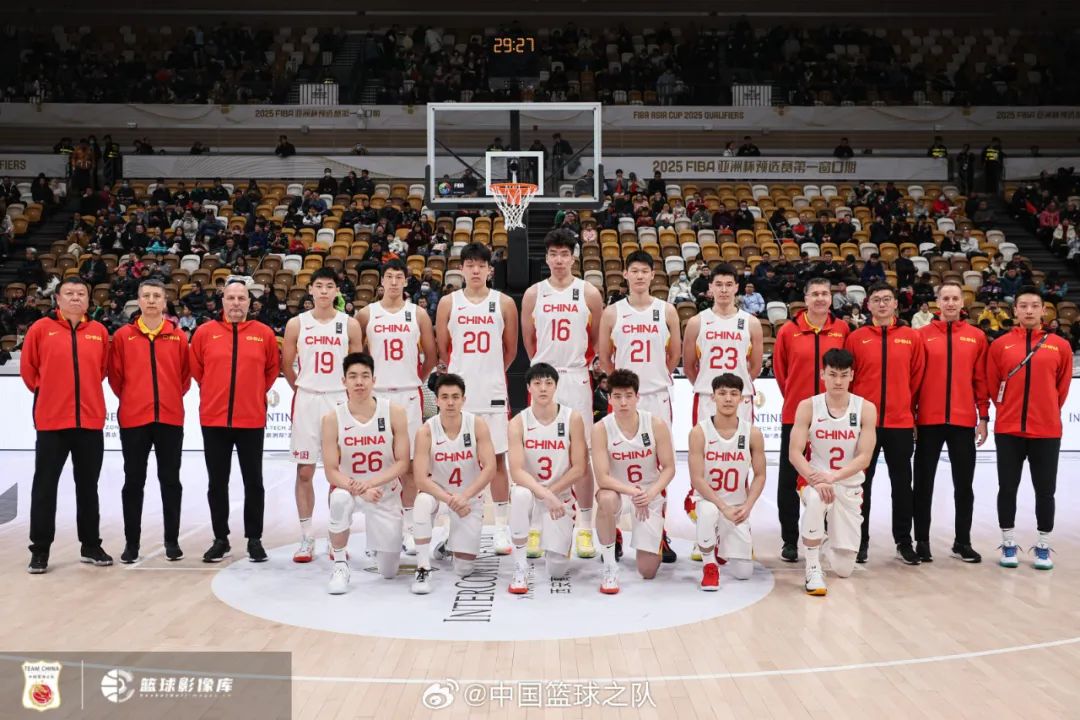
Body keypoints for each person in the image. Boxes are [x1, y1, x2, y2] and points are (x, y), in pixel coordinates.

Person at [520, 229, 605, 559]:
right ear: (546, 258)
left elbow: (595, 339)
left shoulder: (589, 293)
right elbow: (529, 341)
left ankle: (584, 527)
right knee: (536, 452)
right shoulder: (533, 294)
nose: (558, 260)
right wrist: (542, 371)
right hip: (544, 377)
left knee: (581, 455)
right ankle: (536, 526)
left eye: (564, 254)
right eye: (553, 254)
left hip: (575, 377)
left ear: (573, 257)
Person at [21, 277, 112, 573]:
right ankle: (40, 550)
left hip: (89, 422)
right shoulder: (40, 329)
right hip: (52, 422)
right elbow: (29, 371)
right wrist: (49, 394)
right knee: (45, 487)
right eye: (69, 293)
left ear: (88, 299)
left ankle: (91, 545)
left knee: (88, 487)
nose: (75, 297)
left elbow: (101, 370)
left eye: (81, 293)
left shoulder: (99, 332)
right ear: (58, 299)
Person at [597, 249, 681, 563]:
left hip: (656, 395)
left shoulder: (667, 310)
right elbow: (604, 357)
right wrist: (622, 389)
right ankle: (616, 533)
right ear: (626, 275)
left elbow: (675, 355)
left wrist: (654, 377)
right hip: (624, 398)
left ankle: (659, 533)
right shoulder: (612, 312)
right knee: (615, 462)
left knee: (659, 466)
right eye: (634, 270)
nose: (640, 276)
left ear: (652, 275)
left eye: (645, 271)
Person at [436, 242, 518, 555]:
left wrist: (489, 371)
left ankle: (501, 528)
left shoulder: (504, 303)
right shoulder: (448, 303)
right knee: (457, 461)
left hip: (492, 392)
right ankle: (455, 527)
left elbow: (510, 350)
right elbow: (444, 349)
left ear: (489, 270)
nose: (475, 270)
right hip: (459, 397)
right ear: (461, 269)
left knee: (497, 461)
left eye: (480, 265)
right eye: (469, 265)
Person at [190, 279, 280, 563]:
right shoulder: (205, 333)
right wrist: (215, 392)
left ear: (249, 303)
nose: (236, 303)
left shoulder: (263, 334)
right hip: (214, 419)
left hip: (251, 419)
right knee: (217, 482)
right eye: (231, 298)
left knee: (254, 482)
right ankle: (221, 538)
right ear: (223, 301)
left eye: (241, 298)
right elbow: (197, 370)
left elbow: (271, 370)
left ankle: (255, 539)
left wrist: (252, 394)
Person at [986, 287, 1072, 570]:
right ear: (1015, 311)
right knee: (1007, 488)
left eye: (1035, 305)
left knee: (1045, 490)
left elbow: (1061, 389)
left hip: (1046, 431)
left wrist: (1045, 412)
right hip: (1009, 430)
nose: (1029, 310)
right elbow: (993, 384)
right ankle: (1008, 542)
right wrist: (1008, 411)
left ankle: (1043, 545)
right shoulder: (1000, 345)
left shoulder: (1060, 345)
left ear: (1044, 310)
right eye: (1023, 305)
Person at [282, 268, 364, 563]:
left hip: (338, 400)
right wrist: (303, 389)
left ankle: (335, 536)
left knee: (338, 473)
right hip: (308, 398)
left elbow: (357, 367)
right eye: (319, 286)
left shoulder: (349, 324)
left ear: (337, 291)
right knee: (304, 471)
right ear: (311, 290)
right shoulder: (296, 323)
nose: (325, 291)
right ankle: (306, 537)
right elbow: (286, 364)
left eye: (330, 286)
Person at [358, 259, 438, 555]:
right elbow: (358, 356)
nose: (393, 282)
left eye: (398, 277)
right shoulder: (366, 314)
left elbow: (431, 355)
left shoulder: (417, 314)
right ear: (381, 281)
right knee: (378, 465)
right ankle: (377, 533)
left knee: (410, 467)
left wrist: (415, 379)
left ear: (406, 281)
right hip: (377, 396)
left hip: (408, 394)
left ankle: (409, 528)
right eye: (389, 277)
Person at [108, 279, 191, 564]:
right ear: (139, 301)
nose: (152, 300)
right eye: (146, 296)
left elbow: (184, 378)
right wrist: (135, 399)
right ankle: (132, 543)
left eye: (157, 296)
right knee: (133, 481)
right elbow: (116, 378)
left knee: (171, 481)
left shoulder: (178, 337)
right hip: (134, 419)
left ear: (165, 302)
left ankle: (172, 541)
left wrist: (168, 398)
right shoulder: (123, 337)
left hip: (170, 418)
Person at [845, 282, 926, 565]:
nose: (882, 304)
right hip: (865, 425)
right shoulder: (856, 338)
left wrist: (908, 409)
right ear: (868, 305)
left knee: (902, 485)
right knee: (860, 484)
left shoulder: (911, 337)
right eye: (876, 299)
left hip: (900, 423)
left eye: (887, 299)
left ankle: (904, 541)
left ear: (895, 304)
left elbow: (916, 378)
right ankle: (860, 541)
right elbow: (850, 380)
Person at [772, 277, 850, 562]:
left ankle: (827, 535)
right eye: (814, 294)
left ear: (831, 298)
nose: (820, 298)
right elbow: (781, 372)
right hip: (796, 416)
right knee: (788, 479)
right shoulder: (788, 331)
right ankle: (789, 540)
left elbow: (846, 370)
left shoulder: (842, 329)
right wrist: (799, 403)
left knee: (829, 477)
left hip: (833, 418)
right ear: (805, 299)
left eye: (825, 293)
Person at [787, 349, 876, 596]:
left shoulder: (866, 408)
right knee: (816, 500)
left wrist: (834, 477)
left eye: (844, 375)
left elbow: (865, 457)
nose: (838, 381)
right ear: (822, 374)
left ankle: (824, 539)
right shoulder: (808, 406)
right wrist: (816, 479)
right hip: (814, 480)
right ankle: (812, 565)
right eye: (833, 374)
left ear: (852, 376)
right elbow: (794, 453)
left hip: (847, 484)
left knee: (844, 569)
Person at [912, 282, 989, 564]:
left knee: (964, 486)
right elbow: (913, 380)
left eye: (955, 298)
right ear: (937, 302)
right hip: (928, 420)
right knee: (923, 484)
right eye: (945, 298)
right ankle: (922, 541)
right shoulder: (921, 336)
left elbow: (981, 380)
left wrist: (983, 417)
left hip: (963, 421)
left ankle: (962, 542)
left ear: (962, 301)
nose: (951, 303)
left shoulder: (976, 337)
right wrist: (912, 415)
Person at [322, 353, 411, 594]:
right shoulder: (332, 419)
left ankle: (378, 540)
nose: (359, 382)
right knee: (338, 499)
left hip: (384, 492)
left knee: (389, 572)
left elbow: (402, 463)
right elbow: (331, 471)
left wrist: (371, 484)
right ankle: (340, 565)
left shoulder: (394, 412)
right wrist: (359, 489)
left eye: (364, 376)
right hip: (350, 489)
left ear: (374, 380)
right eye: (353, 376)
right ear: (344, 381)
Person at [410, 373, 496, 594]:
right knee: (421, 502)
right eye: (445, 397)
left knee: (464, 569)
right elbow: (420, 478)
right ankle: (423, 567)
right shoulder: (426, 431)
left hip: (468, 496)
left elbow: (490, 468)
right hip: (438, 495)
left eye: (455, 397)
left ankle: (448, 545)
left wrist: (464, 497)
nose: (450, 402)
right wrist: (450, 500)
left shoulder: (477, 424)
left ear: (463, 400)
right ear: (436, 400)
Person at [592, 369, 676, 594]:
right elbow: (602, 477)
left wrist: (650, 493)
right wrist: (633, 492)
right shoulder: (601, 429)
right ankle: (610, 566)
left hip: (649, 493)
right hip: (620, 492)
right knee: (606, 499)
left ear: (637, 397)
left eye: (628, 396)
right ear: (609, 398)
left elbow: (669, 468)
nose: (623, 402)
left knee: (647, 571)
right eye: (617, 396)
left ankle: (655, 539)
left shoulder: (656, 424)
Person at [506, 363, 588, 593]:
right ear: (528, 387)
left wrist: (551, 494)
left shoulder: (572, 418)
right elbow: (516, 471)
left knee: (557, 571)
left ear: (556, 386)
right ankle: (520, 566)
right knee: (519, 494)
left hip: (559, 498)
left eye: (548, 383)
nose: (543, 388)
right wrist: (544, 494)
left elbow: (579, 467)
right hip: (532, 494)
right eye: (537, 383)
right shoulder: (518, 422)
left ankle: (557, 541)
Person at [687, 373, 766, 591]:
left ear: (742, 398)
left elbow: (760, 475)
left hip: (737, 505)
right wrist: (723, 507)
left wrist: (747, 506)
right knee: (708, 511)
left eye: (734, 393)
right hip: (708, 501)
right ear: (713, 397)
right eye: (722, 393)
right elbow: (696, 479)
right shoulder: (699, 432)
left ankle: (721, 542)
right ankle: (709, 565)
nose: (728, 398)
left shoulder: (753, 433)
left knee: (744, 574)